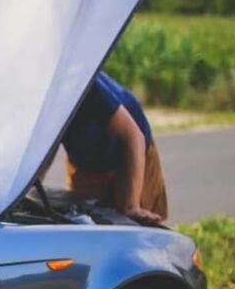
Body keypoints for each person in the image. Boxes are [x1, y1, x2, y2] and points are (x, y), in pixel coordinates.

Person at [60, 72, 168, 222]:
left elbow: (134, 137)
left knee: (135, 223)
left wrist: (133, 205)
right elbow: (44, 149)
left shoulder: (85, 86)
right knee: (83, 223)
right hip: (86, 162)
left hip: (131, 152)